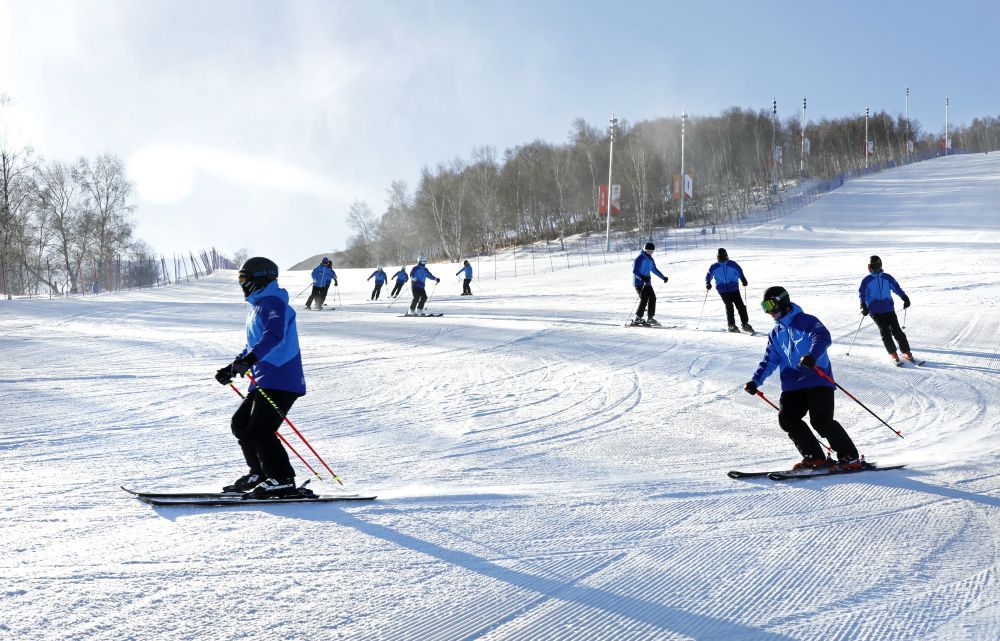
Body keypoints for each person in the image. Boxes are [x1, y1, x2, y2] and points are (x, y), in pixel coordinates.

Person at [214, 257, 309, 498]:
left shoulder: (273, 302)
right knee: (242, 425)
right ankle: (260, 472)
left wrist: (249, 360)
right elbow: (254, 344)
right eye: (240, 279)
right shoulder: (259, 306)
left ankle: (283, 479)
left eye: (244, 278)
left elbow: (273, 336)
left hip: (282, 378)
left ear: (259, 278)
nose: (241, 284)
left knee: (260, 430)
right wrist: (234, 366)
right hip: (264, 379)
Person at [743, 286, 862, 471]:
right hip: (792, 385)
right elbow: (769, 360)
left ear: (783, 302)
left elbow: (822, 337)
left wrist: (812, 356)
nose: (769, 311)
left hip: (817, 379)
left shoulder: (806, 321)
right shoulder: (776, 333)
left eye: (771, 305)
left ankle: (850, 456)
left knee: (821, 421)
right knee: (787, 419)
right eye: (764, 307)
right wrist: (755, 381)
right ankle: (814, 456)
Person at [859, 255, 916, 364]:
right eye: (873, 266)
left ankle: (906, 351)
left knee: (897, 331)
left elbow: (896, 288)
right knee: (885, 331)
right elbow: (862, 294)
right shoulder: (866, 280)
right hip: (875, 311)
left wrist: (904, 297)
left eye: (878, 266)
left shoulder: (887, 277)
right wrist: (863, 305)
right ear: (869, 268)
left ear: (881, 266)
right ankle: (893, 354)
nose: (876, 268)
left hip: (889, 308)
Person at [705, 248, 753, 333]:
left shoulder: (732, 264)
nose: (723, 259)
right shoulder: (714, 266)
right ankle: (731, 325)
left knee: (740, 305)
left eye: (724, 257)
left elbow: (739, 271)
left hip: (734, 287)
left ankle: (745, 324)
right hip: (722, 289)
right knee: (729, 305)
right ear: (718, 257)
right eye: (721, 257)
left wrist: (743, 279)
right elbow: (709, 275)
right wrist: (708, 283)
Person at [631, 242, 669, 326]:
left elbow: (654, 269)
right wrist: (642, 278)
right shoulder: (639, 258)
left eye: (651, 252)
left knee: (653, 298)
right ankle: (638, 318)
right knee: (644, 298)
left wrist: (663, 277)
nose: (650, 253)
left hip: (647, 283)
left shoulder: (650, 259)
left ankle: (650, 318)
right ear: (644, 250)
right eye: (648, 251)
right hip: (638, 283)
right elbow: (635, 271)